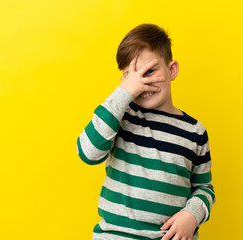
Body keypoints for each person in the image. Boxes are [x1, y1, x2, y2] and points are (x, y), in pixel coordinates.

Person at [77, 23, 215, 240]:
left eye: (150, 71)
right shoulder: (120, 116)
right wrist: (123, 94)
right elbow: (88, 152)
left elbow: (203, 187)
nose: (143, 83)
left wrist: (192, 215)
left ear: (171, 70)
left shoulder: (195, 131)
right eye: (131, 77)